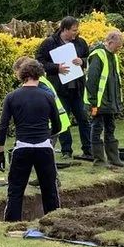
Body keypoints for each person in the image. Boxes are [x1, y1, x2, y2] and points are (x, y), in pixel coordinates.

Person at [0, 57, 62, 222]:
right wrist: (45, 136)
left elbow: (2, 127)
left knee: (16, 190)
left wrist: (0, 153)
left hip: (22, 148)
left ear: (22, 75)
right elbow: (58, 125)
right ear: (39, 74)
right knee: (49, 190)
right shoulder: (48, 97)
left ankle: (12, 223)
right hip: (44, 149)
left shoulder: (11, 97)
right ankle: (53, 222)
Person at [35, 16, 92, 160]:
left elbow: (89, 58)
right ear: (65, 29)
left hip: (77, 88)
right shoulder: (49, 43)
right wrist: (56, 68)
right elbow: (39, 62)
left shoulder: (80, 42)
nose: (76, 33)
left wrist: (82, 61)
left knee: (83, 119)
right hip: (60, 89)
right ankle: (67, 150)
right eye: (73, 30)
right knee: (63, 121)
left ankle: (88, 149)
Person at [85, 30, 124, 168]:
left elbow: (114, 80)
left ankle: (114, 159)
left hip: (110, 102)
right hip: (98, 102)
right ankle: (99, 161)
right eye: (118, 46)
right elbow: (92, 81)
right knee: (97, 128)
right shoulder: (98, 55)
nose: (119, 49)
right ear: (110, 42)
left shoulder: (113, 56)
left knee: (110, 128)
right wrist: (93, 104)